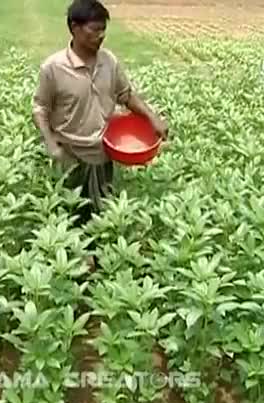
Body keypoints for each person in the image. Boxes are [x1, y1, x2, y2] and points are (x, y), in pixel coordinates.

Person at [31, 0, 168, 269]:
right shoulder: (53, 68)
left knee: (103, 213)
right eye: (94, 30)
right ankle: (73, 274)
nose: (101, 35)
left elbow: (125, 95)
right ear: (74, 28)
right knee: (71, 216)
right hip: (70, 155)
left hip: (103, 153)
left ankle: (101, 269)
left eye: (103, 29)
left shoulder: (109, 62)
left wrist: (152, 117)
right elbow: (40, 108)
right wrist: (50, 142)